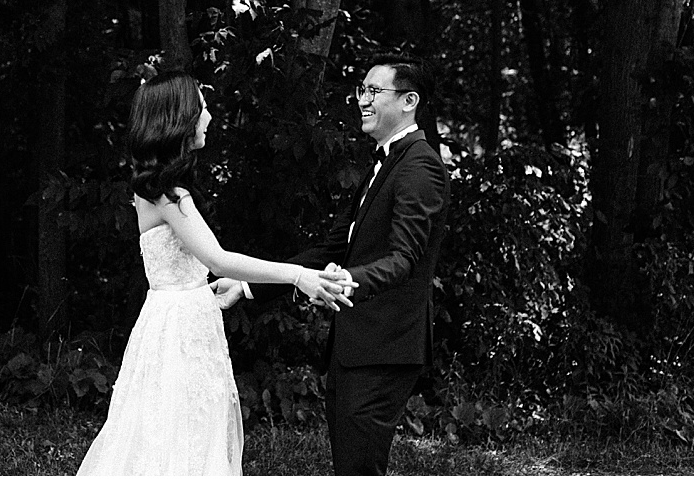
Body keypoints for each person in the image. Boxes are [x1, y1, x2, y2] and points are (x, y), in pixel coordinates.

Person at [77, 70, 353, 476]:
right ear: (181, 119)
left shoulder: (159, 187)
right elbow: (218, 259)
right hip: (179, 328)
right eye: (203, 108)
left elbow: (194, 266)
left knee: (179, 430)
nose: (209, 116)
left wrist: (208, 287)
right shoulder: (169, 193)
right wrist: (298, 275)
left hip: (180, 314)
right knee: (177, 435)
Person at [215, 54, 450, 476]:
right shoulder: (381, 164)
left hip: (386, 346)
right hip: (356, 345)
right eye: (362, 89)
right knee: (349, 466)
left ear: (409, 100)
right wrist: (248, 285)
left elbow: (404, 259)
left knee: (359, 469)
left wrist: (349, 280)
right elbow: (332, 247)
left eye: (374, 91)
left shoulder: (420, 166)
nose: (363, 99)